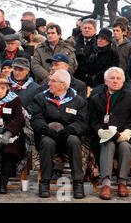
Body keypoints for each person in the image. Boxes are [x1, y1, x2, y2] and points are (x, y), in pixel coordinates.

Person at [30, 69, 88, 199]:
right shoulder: (41, 98)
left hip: (68, 137)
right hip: (48, 136)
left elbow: (83, 123)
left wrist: (68, 130)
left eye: (52, 81)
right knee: (47, 141)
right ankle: (44, 183)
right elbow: (36, 119)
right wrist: (48, 130)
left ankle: (78, 183)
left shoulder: (78, 101)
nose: (48, 83)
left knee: (74, 140)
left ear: (63, 84)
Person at [89, 67, 131, 200]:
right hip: (103, 137)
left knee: (125, 146)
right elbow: (92, 120)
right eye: (112, 78)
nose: (115, 81)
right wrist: (99, 131)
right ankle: (106, 184)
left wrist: (128, 132)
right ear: (106, 81)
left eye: (118, 79)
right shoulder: (96, 98)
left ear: (123, 81)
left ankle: (122, 182)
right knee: (108, 144)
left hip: (125, 136)